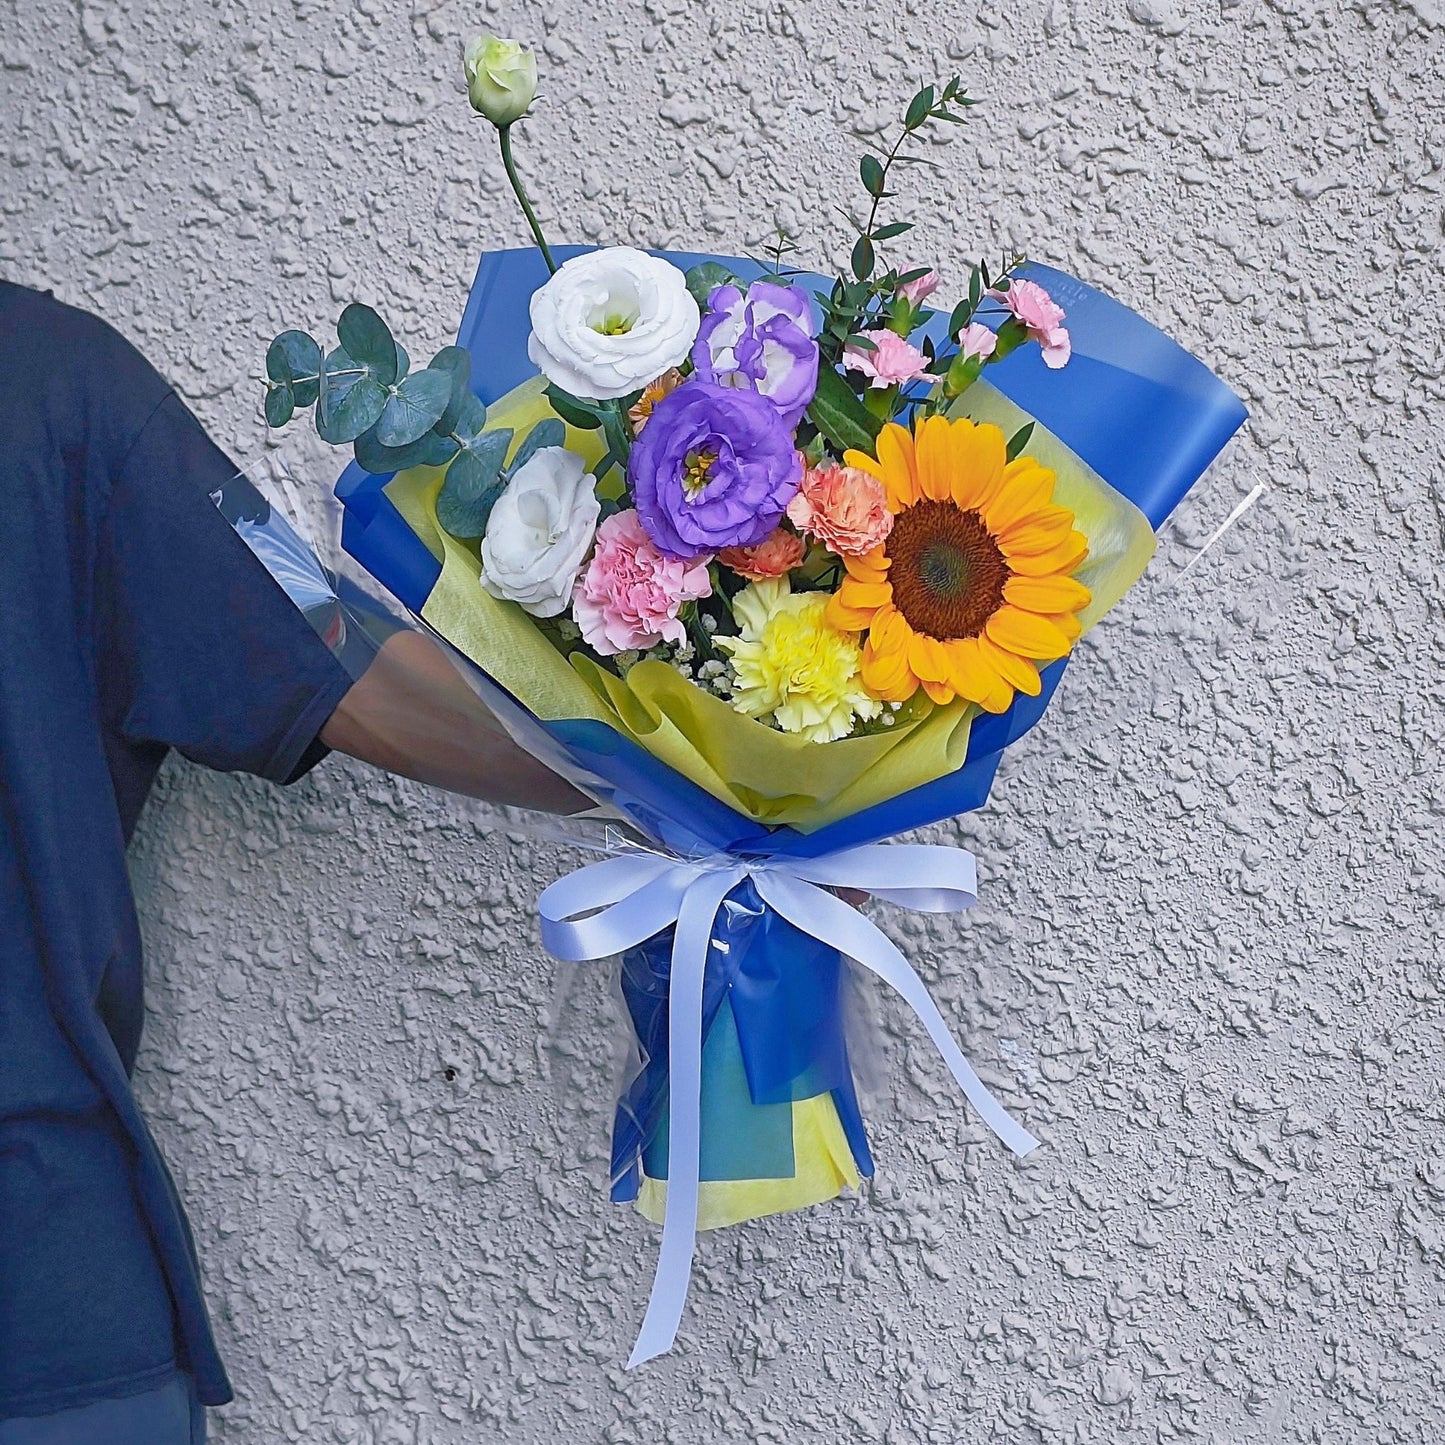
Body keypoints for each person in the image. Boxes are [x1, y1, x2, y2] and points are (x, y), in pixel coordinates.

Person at [0, 280, 586, 1443]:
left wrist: (707, 792)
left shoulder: (53, 382)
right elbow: (346, 662)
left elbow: (332, 653)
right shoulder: (59, 376)